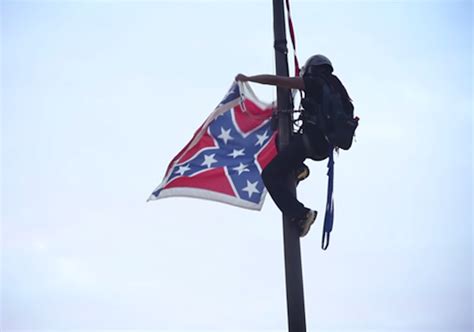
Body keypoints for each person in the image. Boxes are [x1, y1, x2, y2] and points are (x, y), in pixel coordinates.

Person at [235, 54, 353, 237]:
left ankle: (302, 214)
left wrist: (249, 79)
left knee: (270, 175)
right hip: (323, 146)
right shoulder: (338, 90)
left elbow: (276, 80)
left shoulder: (315, 82)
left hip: (311, 141)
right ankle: (299, 168)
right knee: (281, 140)